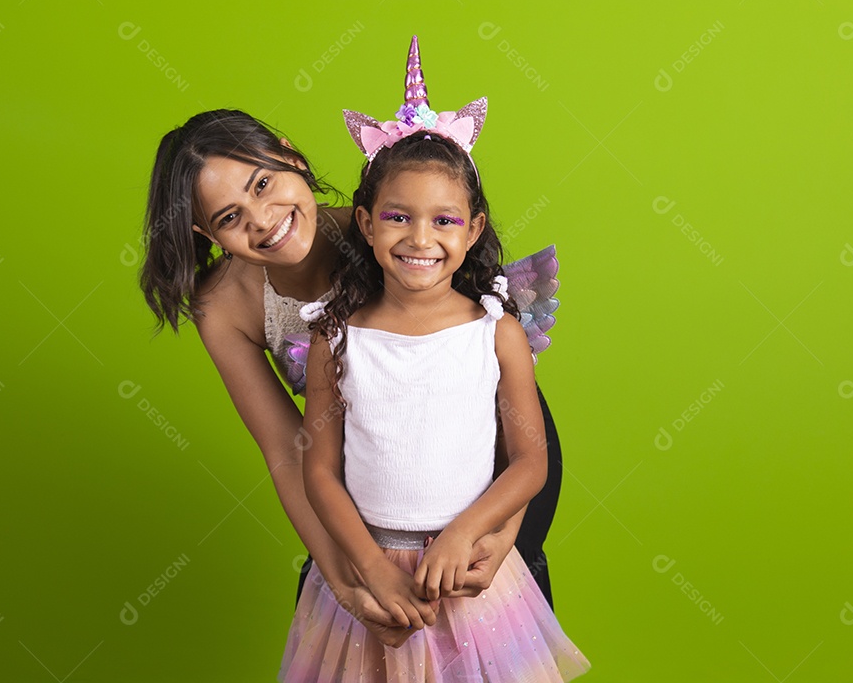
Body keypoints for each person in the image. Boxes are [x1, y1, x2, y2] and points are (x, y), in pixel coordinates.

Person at [139, 40, 563, 646]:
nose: (262, 218)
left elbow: (506, 416)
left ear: (290, 157)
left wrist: (498, 535)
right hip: (363, 470)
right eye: (230, 217)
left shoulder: (391, 224)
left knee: (486, 622)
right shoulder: (224, 308)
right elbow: (292, 453)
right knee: (356, 623)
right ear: (205, 233)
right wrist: (347, 581)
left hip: (487, 453)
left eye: (262, 184)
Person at [278, 48, 589, 680]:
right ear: (365, 223)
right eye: (399, 217)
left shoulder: (495, 334)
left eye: (443, 220)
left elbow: (530, 461)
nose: (421, 240)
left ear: (472, 231)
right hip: (376, 566)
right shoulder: (336, 339)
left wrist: (464, 534)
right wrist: (368, 566)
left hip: (470, 569)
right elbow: (319, 472)